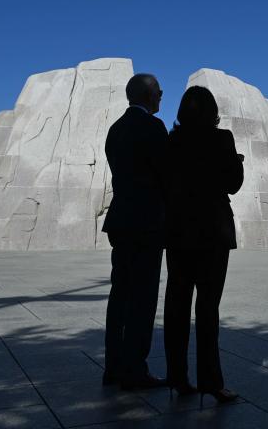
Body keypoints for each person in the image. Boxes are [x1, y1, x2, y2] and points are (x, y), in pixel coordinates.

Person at [163, 86, 244, 404]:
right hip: (212, 232)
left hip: (179, 232)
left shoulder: (172, 141)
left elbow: (164, 183)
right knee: (208, 308)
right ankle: (211, 381)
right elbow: (233, 184)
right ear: (213, 112)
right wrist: (236, 161)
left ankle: (177, 377)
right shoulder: (221, 138)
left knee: (177, 304)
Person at [101, 73, 168, 390]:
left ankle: (113, 366)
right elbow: (165, 176)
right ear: (148, 95)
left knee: (120, 296)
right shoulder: (153, 128)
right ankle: (135, 369)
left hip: (121, 221)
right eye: (159, 91)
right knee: (142, 298)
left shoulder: (115, 129)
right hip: (147, 223)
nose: (162, 96)